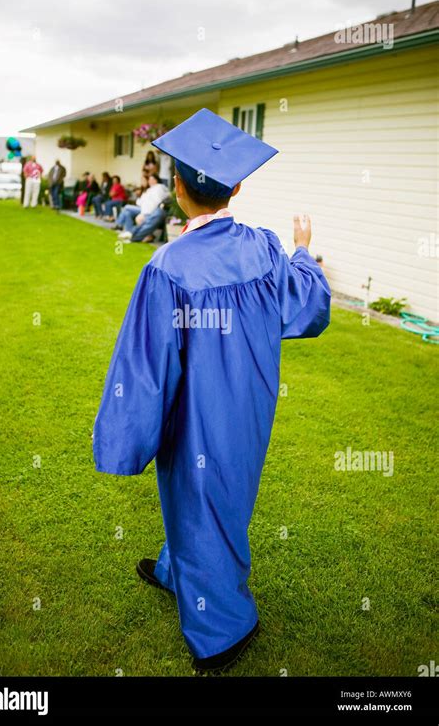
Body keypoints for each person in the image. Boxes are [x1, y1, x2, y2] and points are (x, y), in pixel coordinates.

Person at [93, 108, 331, 674]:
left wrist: (129, 432)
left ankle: (223, 627)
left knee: (204, 501)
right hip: (250, 404)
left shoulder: (168, 266)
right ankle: (178, 569)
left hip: (196, 411)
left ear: (176, 188)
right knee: (218, 493)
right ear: (238, 185)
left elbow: (147, 365)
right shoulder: (266, 247)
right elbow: (308, 308)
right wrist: (302, 248)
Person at [116, 174, 168, 242]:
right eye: (149, 179)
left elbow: (155, 202)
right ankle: (129, 232)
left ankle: (119, 225)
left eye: (152, 179)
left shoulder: (159, 188)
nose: (150, 181)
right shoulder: (149, 189)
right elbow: (140, 202)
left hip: (150, 211)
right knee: (127, 212)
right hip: (143, 209)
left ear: (156, 180)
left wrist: (144, 213)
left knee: (126, 207)